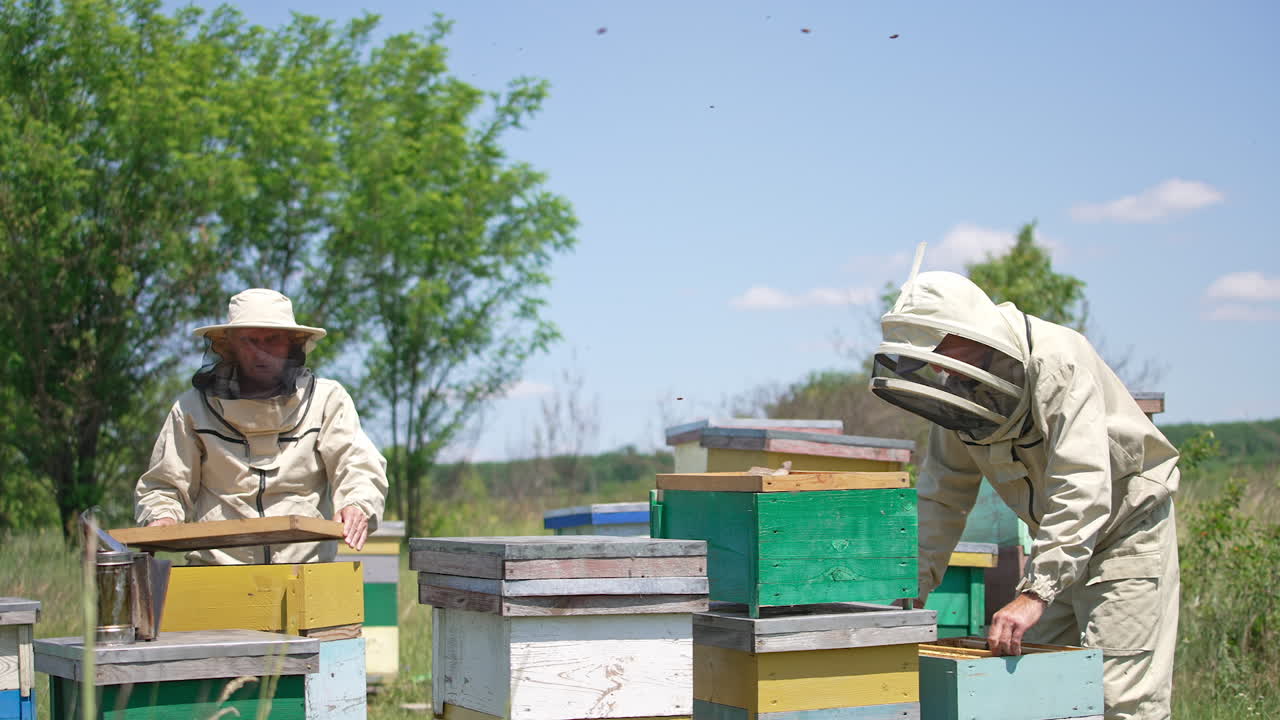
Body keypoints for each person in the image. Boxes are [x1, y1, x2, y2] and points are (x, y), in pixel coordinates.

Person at [869, 269, 1179, 720]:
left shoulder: (1057, 361)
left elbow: (1082, 481)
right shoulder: (960, 388)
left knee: (1118, 700)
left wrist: (1034, 593)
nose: (934, 365)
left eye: (936, 348)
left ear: (966, 329)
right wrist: (912, 589)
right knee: (1032, 688)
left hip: (1124, 532)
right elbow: (942, 497)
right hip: (1057, 542)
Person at [135, 288, 389, 565]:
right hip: (216, 572)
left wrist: (357, 505)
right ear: (229, 345)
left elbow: (357, 465)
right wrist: (162, 517)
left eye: (272, 340)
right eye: (250, 341)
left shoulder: (327, 400)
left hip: (306, 569)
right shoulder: (192, 408)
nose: (261, 351)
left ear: (293, 343)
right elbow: (165, 484)